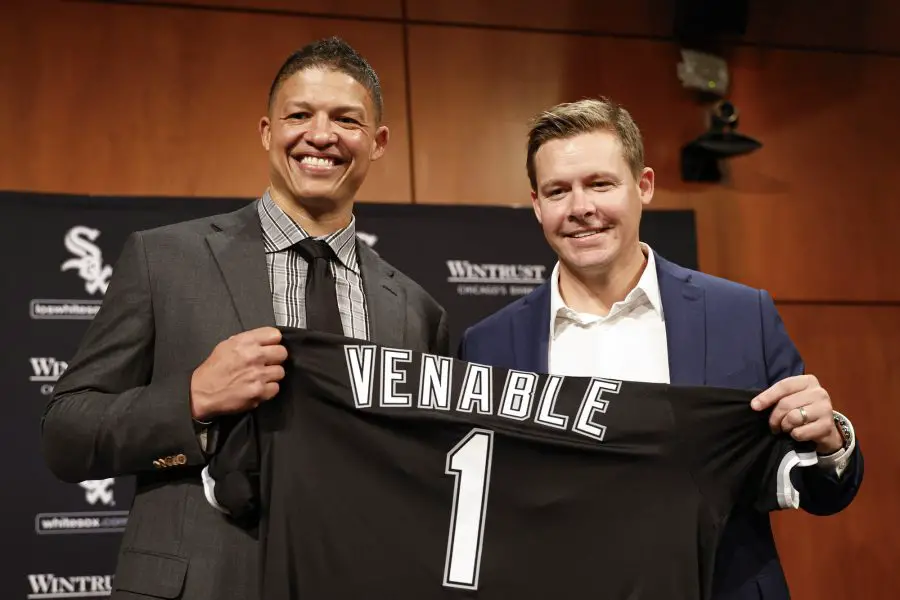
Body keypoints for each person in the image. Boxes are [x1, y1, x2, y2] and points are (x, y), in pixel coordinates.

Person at [40, 37, 449, 600]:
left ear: (377, 143)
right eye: (299, 115)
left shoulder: (417, 310)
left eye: (346, 120)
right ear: (266, 131)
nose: (321, 135)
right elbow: (65, 434)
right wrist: (192, 399)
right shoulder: (165, 259)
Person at [457, 97, 863, 600]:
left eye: (600, 184)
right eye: (558, 191)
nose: (581, 208)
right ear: (538, 205)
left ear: (643, 186)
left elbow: (819, 490)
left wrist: (831, 444)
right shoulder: (487, 346)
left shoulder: (741, 316)